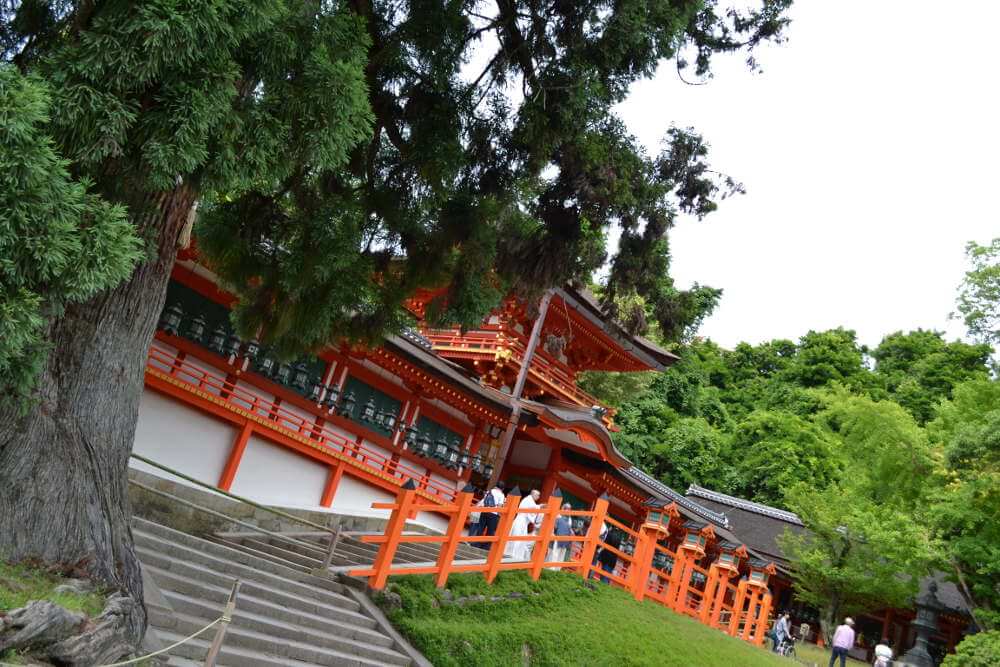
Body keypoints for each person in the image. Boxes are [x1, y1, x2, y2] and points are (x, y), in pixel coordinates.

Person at [506, 489, 541, 561]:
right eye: (538, 495)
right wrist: (539, 506)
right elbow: (532, 508)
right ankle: (511, 554)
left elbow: (533, 508)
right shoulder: (528, 500)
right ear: (533, 494)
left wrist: (538, 506)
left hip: (523, 523)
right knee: (516, 538)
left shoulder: (530, 501)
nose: (538, 497)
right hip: (520, 521)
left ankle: (515, 555)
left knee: (520, 539)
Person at [475, 481, 505, 546]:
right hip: (493, 514)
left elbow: (484, 501)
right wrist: (499, 514)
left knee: (481, 528)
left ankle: (476, 543)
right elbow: (499, 507)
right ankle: (486, 546)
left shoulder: (489, 491)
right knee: (490, 531)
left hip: (484, 511)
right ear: (502, 488)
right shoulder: (501, 495)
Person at [548, 502, 574, 569]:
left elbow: (569, 528)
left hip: (565, 539)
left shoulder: (570, 519)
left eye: (569, 509)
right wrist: (552, 533)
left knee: (561, 555)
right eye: (566, 508)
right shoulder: (558, 516)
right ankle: (551, 569)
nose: (568, 510)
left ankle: (557, 569)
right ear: (563, 508)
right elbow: (554, 526)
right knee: (554, 553)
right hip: (558, 536)